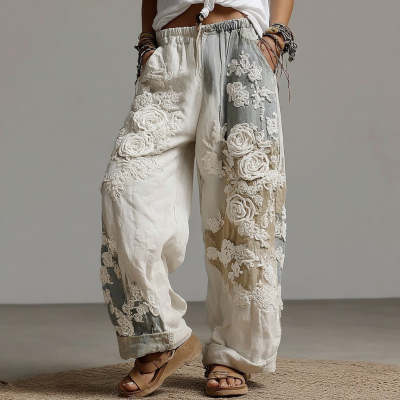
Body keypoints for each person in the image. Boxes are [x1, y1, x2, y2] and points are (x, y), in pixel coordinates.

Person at [99, 0, 295, 397]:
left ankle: (235, 353)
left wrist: (276, 34)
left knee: (245, 210)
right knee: (124, 190)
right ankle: (161, 337)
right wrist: (147, 41)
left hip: (242, 49)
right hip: (170, 51)